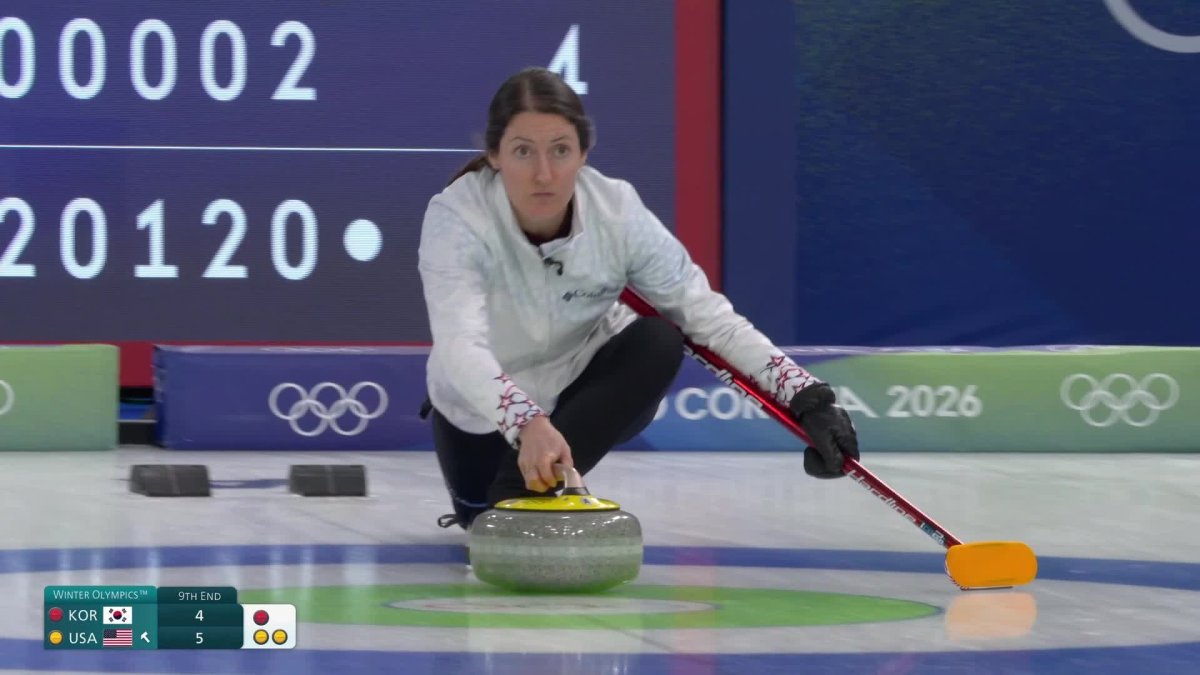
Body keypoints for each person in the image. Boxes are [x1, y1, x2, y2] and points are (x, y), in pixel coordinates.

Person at [418, 67, 858, 530]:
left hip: (574, 402)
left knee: (658, 339)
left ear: (584, 153)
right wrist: (527, 423)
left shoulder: (618, 212)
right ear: (494, 155)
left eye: (561, 151)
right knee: (478, 520)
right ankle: (513, 497)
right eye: (523, 152)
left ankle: (526, 496)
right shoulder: (456, 218)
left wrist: (807, 398)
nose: (543, 174)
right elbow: (460, 346)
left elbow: (707, 317)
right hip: (478, 418)